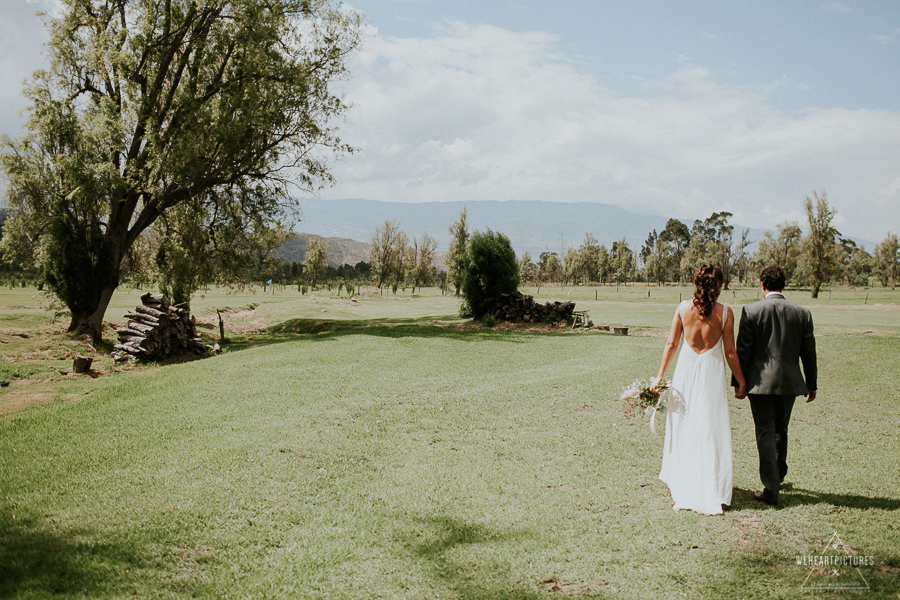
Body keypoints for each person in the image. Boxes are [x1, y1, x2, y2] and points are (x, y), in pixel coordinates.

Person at [651, 264, 747, 515]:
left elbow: (672, 343)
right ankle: (709, 482)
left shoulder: (683, 309)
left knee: (684, 424)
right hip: (711, 374)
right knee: (710, 425)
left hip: (686, 372)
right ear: (719, 286)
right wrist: (742, 381)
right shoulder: (726, 313)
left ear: (697, 284)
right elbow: (729, 352)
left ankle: (685, 479)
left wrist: (660, 375)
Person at [733, 266, 817, 507]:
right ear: (784, 284)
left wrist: (739, 384)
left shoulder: (751, 311)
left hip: (759, 385)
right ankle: (777, 477)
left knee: (765, 432)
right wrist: (812, 384)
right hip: (791, 383)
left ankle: (771, 489)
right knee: (782, 428)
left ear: (762, 285)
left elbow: (743, 351)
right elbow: (808, 353)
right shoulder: (802, 313)